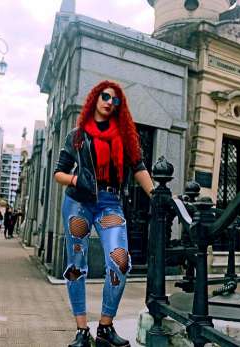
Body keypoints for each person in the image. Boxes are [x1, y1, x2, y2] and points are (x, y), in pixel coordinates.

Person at [53, 80, 154, 347]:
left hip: (110, 203)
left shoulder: (125, 137)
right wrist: (76, 180)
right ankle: (82, 330)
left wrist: (157, 196)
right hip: (79, 202)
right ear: (95, 99)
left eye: (116, 100)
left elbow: (139, 167)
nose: (110, 102)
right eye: (106, 96)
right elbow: (58, 173)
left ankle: (105, 327)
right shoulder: (77, 135)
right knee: (76, 265)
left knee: (120, 262)